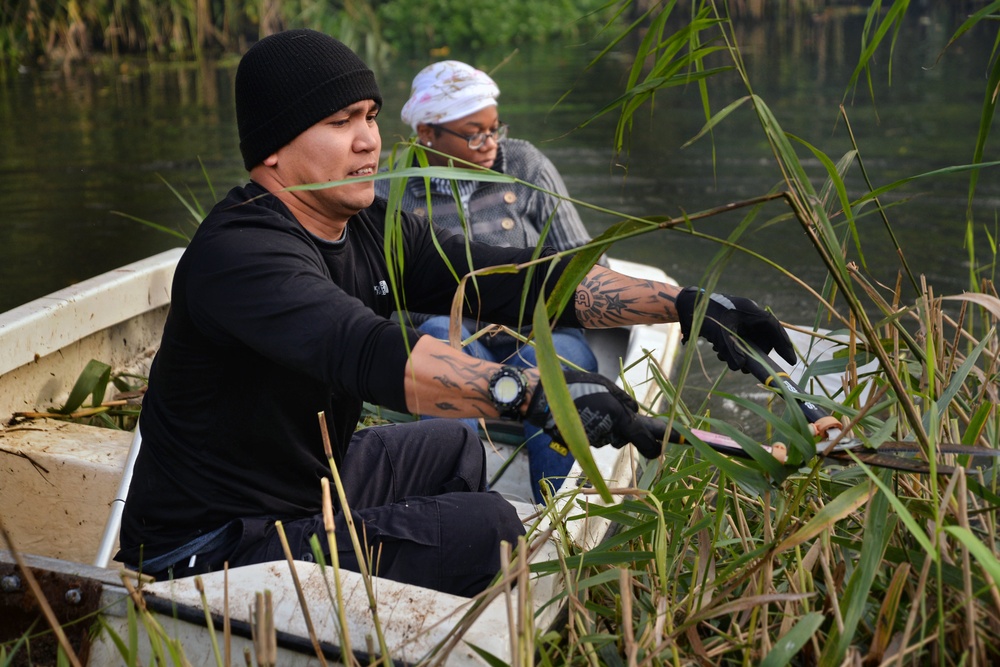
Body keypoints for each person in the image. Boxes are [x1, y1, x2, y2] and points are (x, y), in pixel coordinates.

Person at [115, 29, 795, 597]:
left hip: (306, 485)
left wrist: (686, 304)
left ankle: (410, 594)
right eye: (340, 122)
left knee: (455, 445)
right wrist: (534, 394)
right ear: (273, 146)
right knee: (488, 530)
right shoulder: (241, 253)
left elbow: (514, 281)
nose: (368, 141)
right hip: (211, 542)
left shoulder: (368, 226)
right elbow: (368, 351)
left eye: (370, 116)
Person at [374, 60, 599, 502]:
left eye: (495, 129)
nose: (490, 143)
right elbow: (383, 294)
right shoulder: (390, 189)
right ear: (427, 133)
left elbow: (582, 261)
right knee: (439, 338)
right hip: (455, 337)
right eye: (475, 134)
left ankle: (557, 512)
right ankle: (453, 504)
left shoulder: (524, 163)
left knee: (551, 369)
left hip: (542, 333)